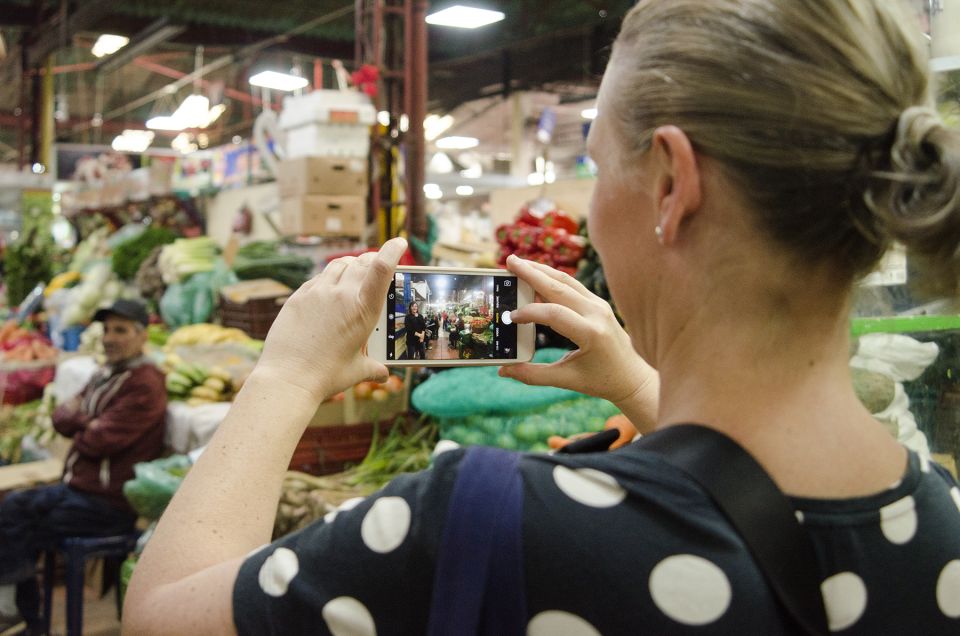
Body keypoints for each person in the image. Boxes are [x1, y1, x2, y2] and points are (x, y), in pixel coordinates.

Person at [123, 1, 960, 633]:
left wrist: (287, 373)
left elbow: (161, 616)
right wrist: (635, 379)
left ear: (671, 184)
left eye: (595, 169)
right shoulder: (940, 522)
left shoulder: (485, 522)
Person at [0, 299, 167, 634]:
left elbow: (100, 440)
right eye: (106, 329)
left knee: (16, 521)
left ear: (141, 335)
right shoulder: (105, 374)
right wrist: (85, 422)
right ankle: (21, 615)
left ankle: (19, 614)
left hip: (107, 504)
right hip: (77, 491)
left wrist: (84, 424)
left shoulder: (145, 383)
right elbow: (61, 416)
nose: (109, 337)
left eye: (120, 330)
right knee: (13, 510)